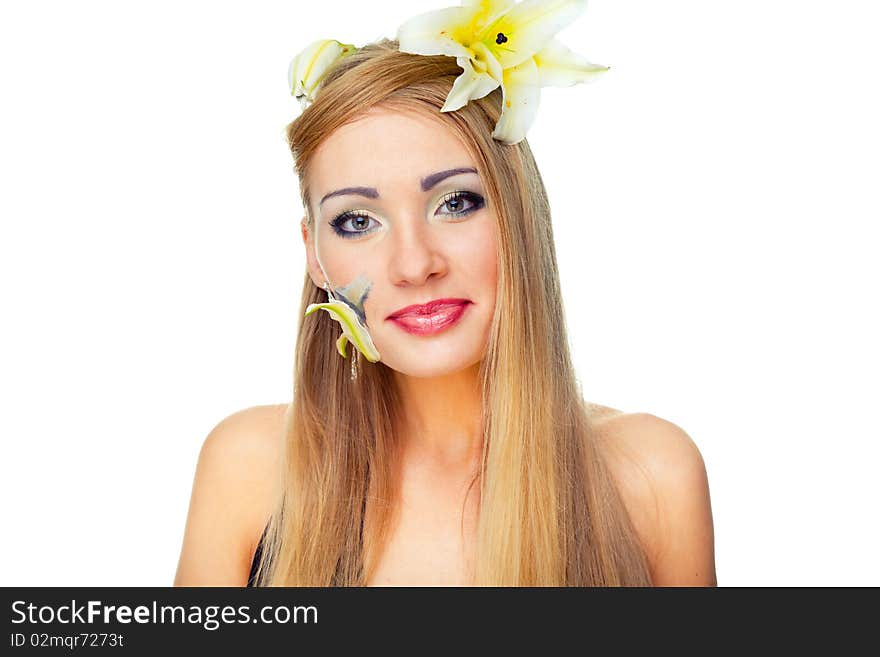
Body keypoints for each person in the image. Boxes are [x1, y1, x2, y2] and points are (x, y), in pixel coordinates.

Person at [174, 2, 715, 587]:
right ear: (315, 254)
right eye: (357, 221)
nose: (414, 264)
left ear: (518, 213)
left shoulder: (651, 476)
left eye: (455, 203)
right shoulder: (250, 469)